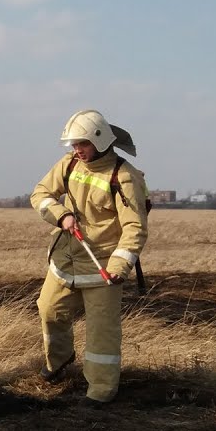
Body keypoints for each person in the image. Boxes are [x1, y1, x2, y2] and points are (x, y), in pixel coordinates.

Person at [31, 109, 147, 403]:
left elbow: (134, 227)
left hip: (103, 268)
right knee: (49, 310)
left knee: (101, 333)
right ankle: (58, 362)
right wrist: (61, 215)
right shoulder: (69, 164)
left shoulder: (124, 177)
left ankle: (101, 392)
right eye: (73, 144)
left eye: (82, 143)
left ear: (100, 140)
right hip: (65, 260)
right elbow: (41, 194)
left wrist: (120, 266)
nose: (76, 150)